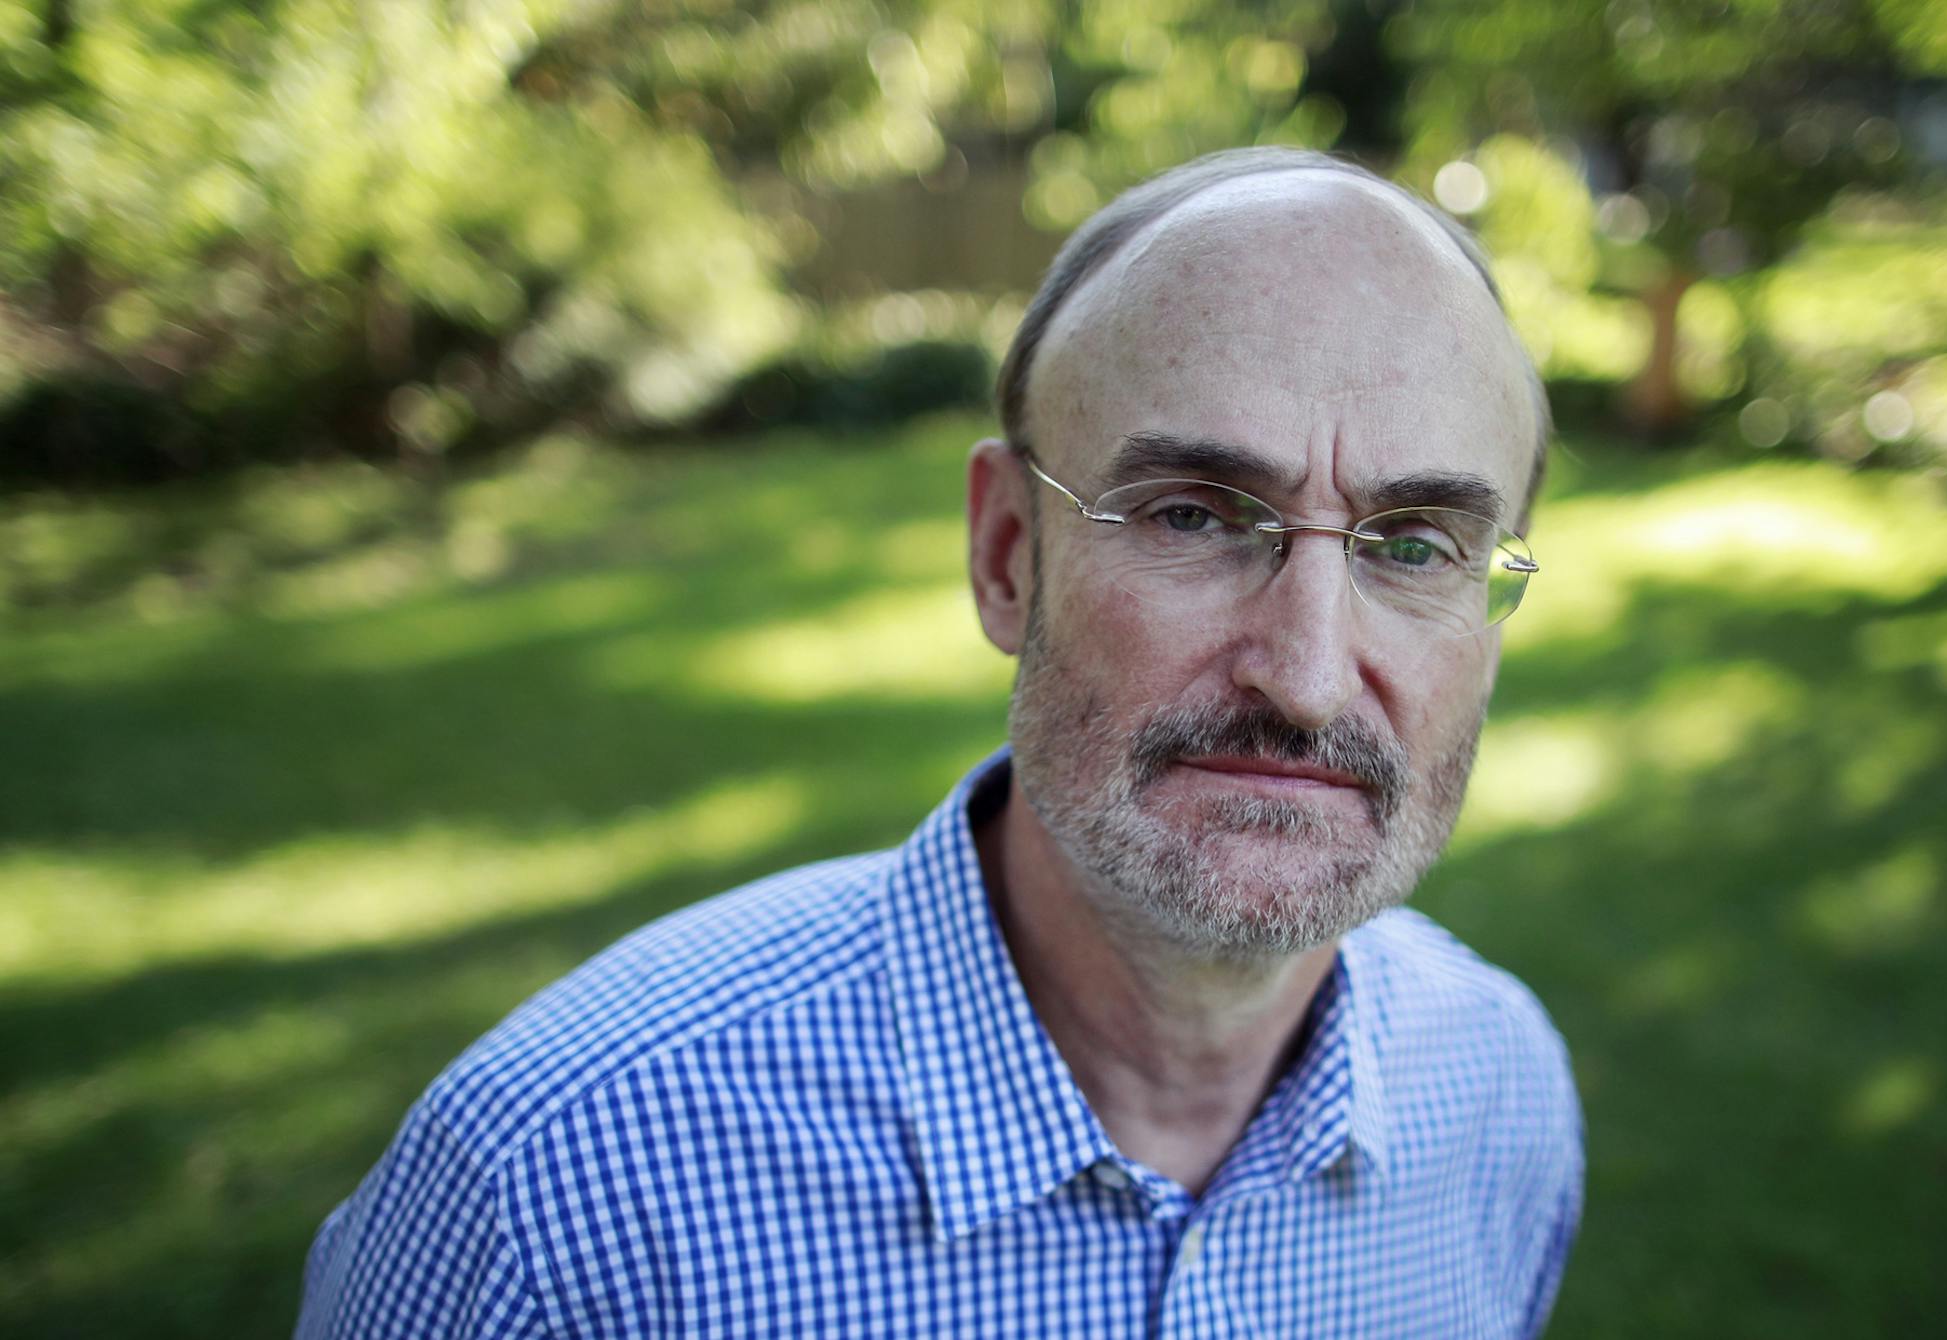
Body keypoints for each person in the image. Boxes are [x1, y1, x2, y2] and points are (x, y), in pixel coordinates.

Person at [295, 146, 1582, 1339]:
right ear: (1007, 552)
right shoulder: (558, 1188)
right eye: (1194, 515)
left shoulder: (1501, 1093)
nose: (1304, 679)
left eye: (1415, 544)